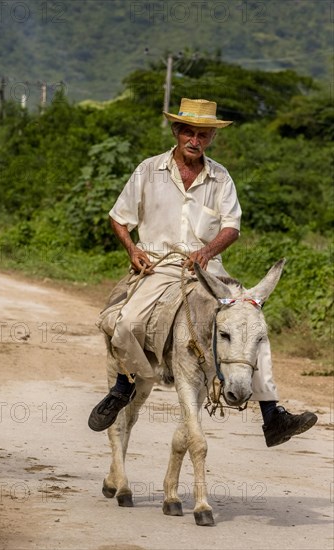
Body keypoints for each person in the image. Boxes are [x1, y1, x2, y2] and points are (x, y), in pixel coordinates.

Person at [88, 98, 317, 446]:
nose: (195, 140)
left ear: (210, 138)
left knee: (249, 323)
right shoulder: (148, 169)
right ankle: (123, 386)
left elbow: (232, 227)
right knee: (127, 322)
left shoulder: (221, 176)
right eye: (189, 132)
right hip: (161, 265)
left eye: (203, 134)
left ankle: (272, 414)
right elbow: (119, 217)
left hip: (210, 270)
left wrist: (207, 252)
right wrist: (132, 249)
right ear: (177, 132)